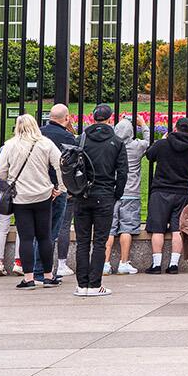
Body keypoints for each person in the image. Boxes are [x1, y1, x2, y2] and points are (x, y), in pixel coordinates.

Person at [0, 114, 63, 290]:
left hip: (21, 197)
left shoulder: (10, 145)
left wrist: (11, 180)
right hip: (43, 195)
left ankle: (29, 278)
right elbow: (60, 164)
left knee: (26, 238)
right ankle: (48, 276)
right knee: (45, 237)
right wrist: (60, 187)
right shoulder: (45, 143)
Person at [71, 104, 127, 297]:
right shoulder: (117, 142)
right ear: (110, 119)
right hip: (104, 195)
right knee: (100, 242)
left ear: (93, 118)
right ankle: (95, 284)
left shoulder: (81, 139)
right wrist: (116, 194)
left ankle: (82, 285)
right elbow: (122, 173)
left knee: (82, 242)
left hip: (83, 194)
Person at [144, 116, 188, 273]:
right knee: (177, 229)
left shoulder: (163, 144)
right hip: (182, 191)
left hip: (161, 190)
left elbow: (149, 155)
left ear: (175, 128)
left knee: (157, 229)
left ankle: (156, 264)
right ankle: (173, 264)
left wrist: (161, 140)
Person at [39, 105, 78, 282]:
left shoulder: (38, 134)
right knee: (55, 230)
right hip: (60, 188)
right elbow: (71, 165)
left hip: (38, 187)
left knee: (39, 230)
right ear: (67, 118)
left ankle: (36, 269)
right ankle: (49, 269)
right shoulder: (68, 137)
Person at [104, 118, 144, 275]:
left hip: (113, 191)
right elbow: (148, 141)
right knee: (126, 228)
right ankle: (124, 262)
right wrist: (143, 125)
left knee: (109, 229)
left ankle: (105, 263)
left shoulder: (112, 146)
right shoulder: (137, 147)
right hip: (131, 194)